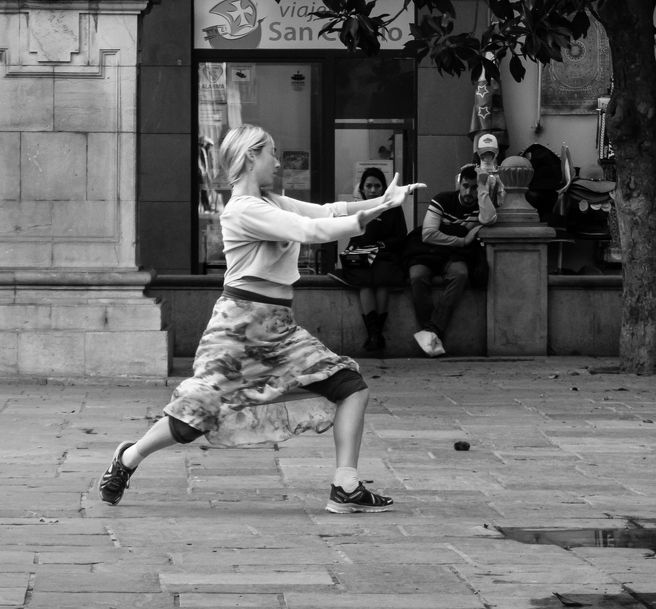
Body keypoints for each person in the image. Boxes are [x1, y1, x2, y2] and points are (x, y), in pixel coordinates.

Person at [98, 124, 425, 513]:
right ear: (251, 155)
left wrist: (384, 202)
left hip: (279, 328)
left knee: (351, 386)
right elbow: (310, 229)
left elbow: (326, 212)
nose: (277, 161)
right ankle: (129, 457)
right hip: (237, 329)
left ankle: (346, 486)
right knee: (194, 417)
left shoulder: (271, 201)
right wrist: (366, 217)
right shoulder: (243, 209)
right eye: (272, 152)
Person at [405, 162, 497, 357]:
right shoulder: (442, 200)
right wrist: (462, 240)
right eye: (465, 186)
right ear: (459, 184)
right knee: (417, 276)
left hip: (454, 257)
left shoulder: (481, 205)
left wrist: (483, 189)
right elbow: (428, 234)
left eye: (474, 187)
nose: (468, 192)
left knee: (460, 274)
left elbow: (489, 219)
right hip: (429, 253)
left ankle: (431, 332)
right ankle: (431, 332)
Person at [337, 167, 409, 353]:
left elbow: (401, 235)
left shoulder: (393, 207)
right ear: (362, 188)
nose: (373, 190)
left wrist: (381, 246)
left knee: (382, 280)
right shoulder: (359, 208)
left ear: (383, 188)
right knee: (365, 282)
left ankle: (375, 334)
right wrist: (352, 249)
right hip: (363, 256)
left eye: (377, 186)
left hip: (386, 255)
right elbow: (354, 236)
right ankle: (374, 334)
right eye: (369, 186)